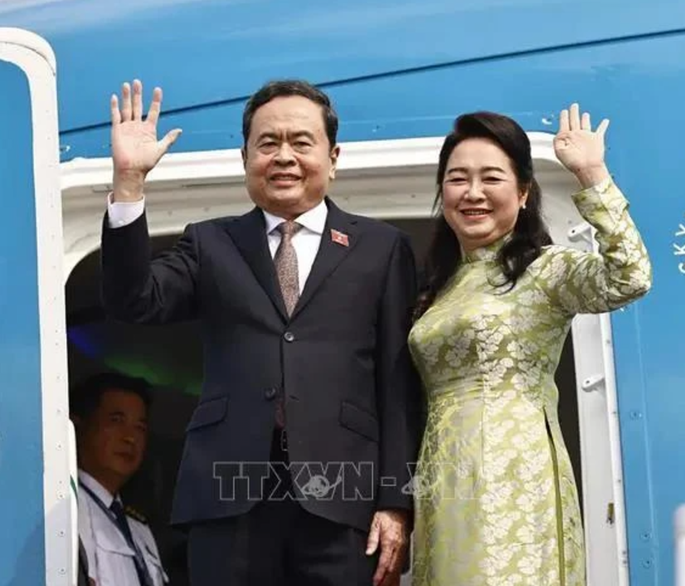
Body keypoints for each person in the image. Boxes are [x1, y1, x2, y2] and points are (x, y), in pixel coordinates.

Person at [99, 79, 422, 586]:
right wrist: (129, 183)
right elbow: (134, 300)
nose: (284, 156)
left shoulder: (382, 248)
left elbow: (398, 385)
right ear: (244, 156)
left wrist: (396, 503)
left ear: (332, 157)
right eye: (268, 143)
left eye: (301, 142)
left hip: (343, 507)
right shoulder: (211, 243)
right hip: (228, 505)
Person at [407, 104, 652, 585]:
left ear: (522, 194)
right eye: (458, 179)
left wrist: (591, 174)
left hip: (513, 472)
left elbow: (631, 277)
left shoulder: (545, 270)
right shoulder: (440, 285)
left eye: (491, 178)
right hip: (442, 472)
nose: (473, 192)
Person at [71, 372, 169, 586]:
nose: (130, 437)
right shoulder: (66, 509)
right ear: (78, 428)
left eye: (140, 427)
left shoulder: (139, 529)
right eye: (116, 421)